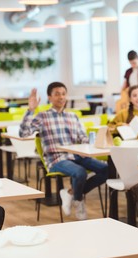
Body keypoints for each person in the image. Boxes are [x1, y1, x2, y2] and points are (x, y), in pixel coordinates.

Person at [19, 82, 108, 220]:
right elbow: (24, 133)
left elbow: (83, 137)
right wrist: (30, 110)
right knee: (80, 172)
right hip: (56, 159)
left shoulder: (73, 117)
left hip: (77, 156)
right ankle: (78, 202)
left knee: (108, 170)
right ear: (49, 97)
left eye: (63, 94)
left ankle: (71, 193)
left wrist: (94, 144)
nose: (61, 97)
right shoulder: (42, 116)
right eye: (56, 94)